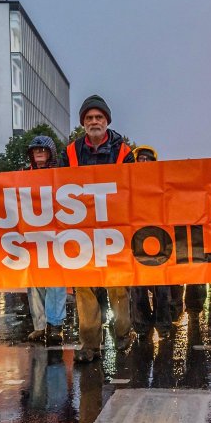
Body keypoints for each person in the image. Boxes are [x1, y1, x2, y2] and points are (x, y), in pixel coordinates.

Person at [58, 95, 134, 363]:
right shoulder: (69, 152)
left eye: (98, 117)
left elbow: (134, 188)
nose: (94, 122)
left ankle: (123, 333)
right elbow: (54, 187)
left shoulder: (124, 152)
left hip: (114, 229)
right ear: (83, 123)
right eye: (89, 118)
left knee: (117, 286)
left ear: (107, 121)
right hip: (83, 231)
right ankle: (89, 344)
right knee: (85, 287)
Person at [128, 145, 173, 339]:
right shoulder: (127, 183)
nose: (143, 163)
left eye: (147, 159)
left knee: (161, 288)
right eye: (141, 159)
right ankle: (142, 327)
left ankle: (163, 326)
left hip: (159, 243)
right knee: (138, 288)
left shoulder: (163, 183)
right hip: (136, 242)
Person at [24, 135, 65, 345]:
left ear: (50, 153)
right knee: (35, 281)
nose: (39, 152)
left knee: (55, 282)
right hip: (32, 235)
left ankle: (55, 325)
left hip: (56, 236)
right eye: (35, 150)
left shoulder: (60, 175)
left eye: (43, 149)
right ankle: (39, 326)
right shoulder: (22, 177)